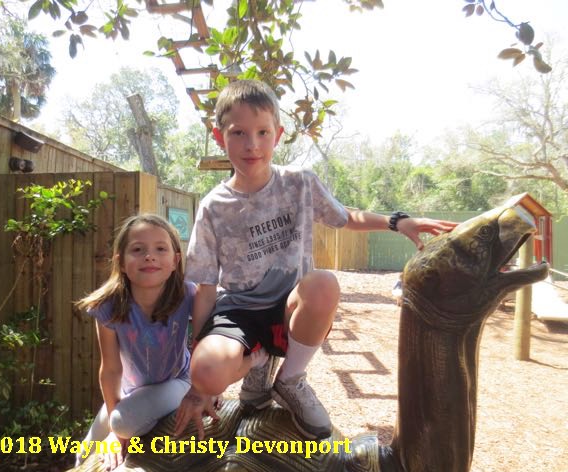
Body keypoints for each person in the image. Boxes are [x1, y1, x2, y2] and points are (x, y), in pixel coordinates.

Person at [174, 79, 457, 441]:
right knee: (207, 371)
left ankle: (290, 380)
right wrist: (199, 379)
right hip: (240, 312)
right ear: (219, 137)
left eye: (262, 132)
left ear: (278, 135)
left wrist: (396, 221)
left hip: (290, 310)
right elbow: (207, 287)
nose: (252, 144)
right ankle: (257, 360)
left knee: (324, 283)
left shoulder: (299, 183)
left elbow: (345, 217)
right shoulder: (214, 206)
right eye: (239, 133)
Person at [74, 214, 207, 471]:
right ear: (121, 262)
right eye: (137, 249)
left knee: (123, 422)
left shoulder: (188, 295)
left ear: (174, 261)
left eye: (160, 249)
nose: (149, 256)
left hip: (177, 382)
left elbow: (220, 323)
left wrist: (119, 430)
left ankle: (125, 427)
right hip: (130, 390)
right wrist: (113, 432)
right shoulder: (107, 307)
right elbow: (111, 370)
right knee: (84, 453)